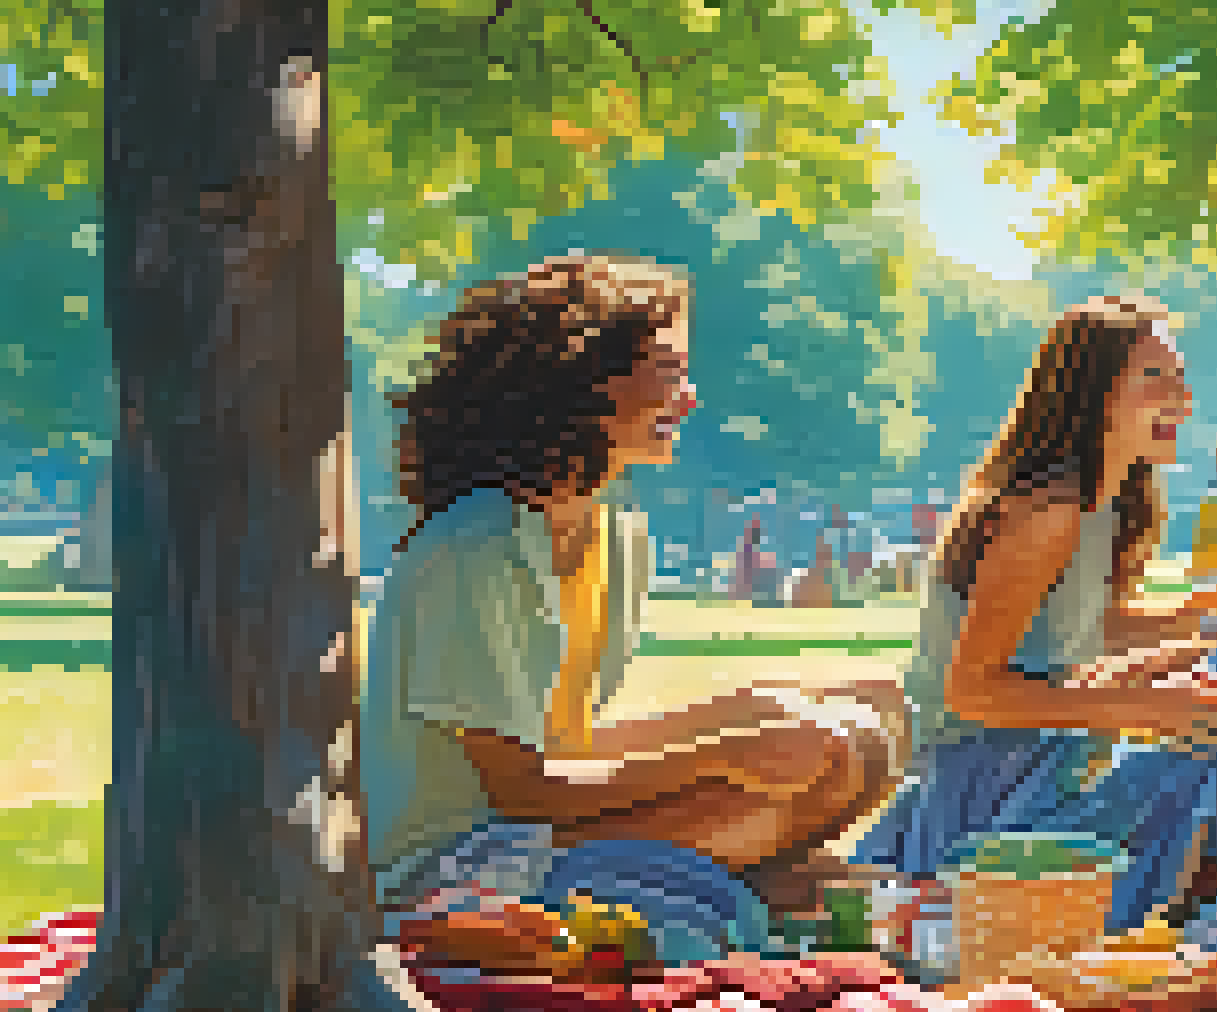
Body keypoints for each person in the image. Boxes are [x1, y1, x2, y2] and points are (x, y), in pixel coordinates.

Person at [362, 253, 907, 933]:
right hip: (451, 867)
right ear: (582, 380)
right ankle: (761, 890)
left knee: (864, 728)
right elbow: (524, 791)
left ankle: (756, 888)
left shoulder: (614, 539)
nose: (690, 398)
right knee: (766, 805)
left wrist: (749, 712)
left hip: (537, 831)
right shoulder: (474, 548)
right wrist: (724, 755)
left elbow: (568, 742)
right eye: (671, 371)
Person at [848, 295, 1217, 931]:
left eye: (1179, 381)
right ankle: (1182, 892)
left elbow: (1072, 631)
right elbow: (972, 690)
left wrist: (1186, 625)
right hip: (987, 784)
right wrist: (1144, 706)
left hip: (1051, 754)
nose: (1181, 401)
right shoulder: (1047, 511)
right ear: (1092, 395)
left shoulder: (1101, 505)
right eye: (1153, 380)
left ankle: (1194, 882)